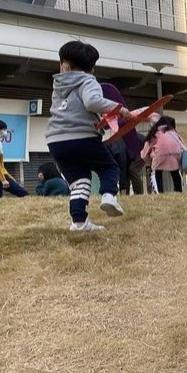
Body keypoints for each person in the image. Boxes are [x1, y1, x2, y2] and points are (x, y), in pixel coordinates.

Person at [45, 41, 130, 231]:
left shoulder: (58, 84)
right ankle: (109, 196)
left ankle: (79, 223)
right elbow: (92, 102)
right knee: (108, 167)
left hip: (56, 140)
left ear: (63, 65)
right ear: (92, 68)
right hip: (82, 136)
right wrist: (119, 109)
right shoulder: (88, 80)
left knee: (79, 181)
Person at [100, 83, 146, 195]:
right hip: (132, 151)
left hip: (140, 149)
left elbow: (123, 169)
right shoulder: (114, 146)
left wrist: (123, 191)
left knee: (132, 170)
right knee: (129, 170)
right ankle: (129, 194)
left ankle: (138, 194)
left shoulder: (117, 149)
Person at [140, 116, 184, 193]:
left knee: (158, 172)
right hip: (176, 155)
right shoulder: (174, 133)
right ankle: (179, 191)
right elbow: (182, 144)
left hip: (160, 156)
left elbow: (146, 149)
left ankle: (160, 192)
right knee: (175, 172)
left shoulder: (155, 133)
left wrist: (148, 159)